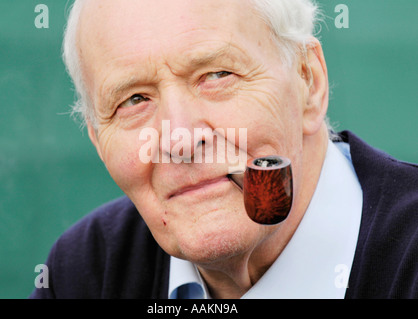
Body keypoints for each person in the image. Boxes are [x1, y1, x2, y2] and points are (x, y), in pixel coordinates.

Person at [30, 0, 418, 299]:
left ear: (308, 83)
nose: (178, 139)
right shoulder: (84, 272)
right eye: (134, 100)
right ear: (98, 142)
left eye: (217, 75)